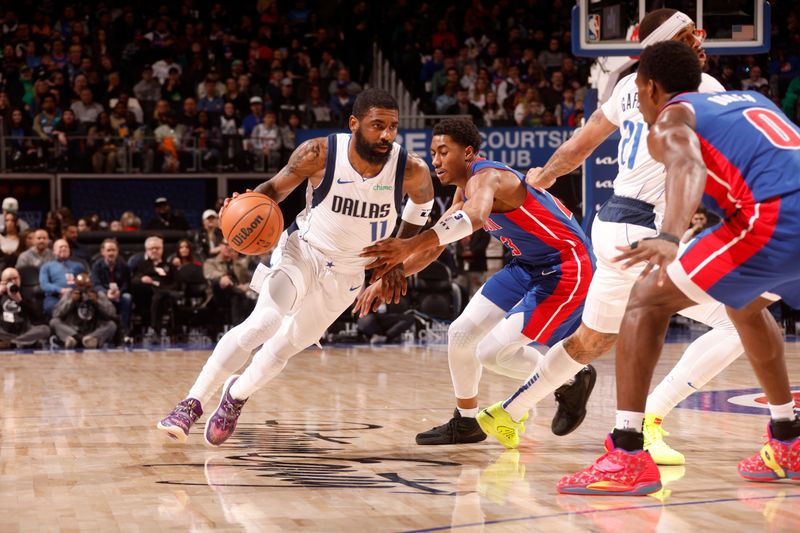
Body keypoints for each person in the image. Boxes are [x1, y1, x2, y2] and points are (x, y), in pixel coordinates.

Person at [476, 9, 744, 465]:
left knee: (593, 339)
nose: (701, 39)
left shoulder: (626, 87)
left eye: (697, 32)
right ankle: (648, 421)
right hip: (644, 233)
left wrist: (544, 175)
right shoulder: (705, 88)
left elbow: (579, 147)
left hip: (611, 224)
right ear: (664, 46)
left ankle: (507, 412)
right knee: (737, 321)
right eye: (688, 34)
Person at [558, 40, 800, 495]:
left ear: (649, 88)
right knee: (745, 306)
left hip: (773, 218)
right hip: (788, 212)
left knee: (646, 300)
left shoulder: (672, 116)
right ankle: (788, 439)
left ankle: (626, 453)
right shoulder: (752, 100)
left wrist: (669, 236)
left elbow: (685, 166)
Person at [156, 88, 434, 445]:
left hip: (349, 272)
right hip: (302, 251)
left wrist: (399, 255)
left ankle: (236, 395)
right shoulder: (319, 152)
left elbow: (420, 209)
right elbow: (272, 190)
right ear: (354, 124)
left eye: (393, 127)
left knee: (288, 345)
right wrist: (243, 208)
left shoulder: (410, 169)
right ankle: (190, 404)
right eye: (377, 125)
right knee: (264, 322)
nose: (386, 134)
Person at [357, 118, 596, 445]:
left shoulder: (487, 178)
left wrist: (408, 244)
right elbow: (435, 246)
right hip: (527, 265)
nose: (436, 161)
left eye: (443, 152)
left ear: (468, 153)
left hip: (565, 266)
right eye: (432, 153)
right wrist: (383, 281)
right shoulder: (463, 189)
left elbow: (475, 218)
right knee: (461, 333)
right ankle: (467, 421)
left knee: (492, 353)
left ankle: (570, 378)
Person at [50, 272, 117, 349]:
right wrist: (71, 301)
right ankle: (75, 338)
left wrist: (97, 302)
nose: (84, 290)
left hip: (93, 330)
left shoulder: (98, 294)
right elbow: (56, 313)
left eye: (87, 287)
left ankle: (91, 339)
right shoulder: (69, 294)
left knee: (112, 325)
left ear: (91, 285)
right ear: (76, 286)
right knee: (54, 322)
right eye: (81, 286)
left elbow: (112, 313)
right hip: (72, 329)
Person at [131, 235, 179, 337]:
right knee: (154, 296)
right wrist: (141, 279)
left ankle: (156, 329)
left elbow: (176, 283)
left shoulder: (170, 266)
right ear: (146, 250)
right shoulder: (141, 265)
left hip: (166, 295)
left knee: (161, 296)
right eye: (151, 248)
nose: (154, 250)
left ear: (162, 249)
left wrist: (164, 290)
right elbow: (134, 280)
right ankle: (153, 328)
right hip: (147, 296)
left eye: (157, 248)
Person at [90, 239, 132, 338]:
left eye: (114, 250)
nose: (111, 253)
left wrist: (119, 292)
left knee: (127, 297)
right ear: (102, 252)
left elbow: (126, 283)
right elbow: (95, 284)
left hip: (119, 294)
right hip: (103, 294)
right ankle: (104, 330)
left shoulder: (123, 265)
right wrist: (106, 292)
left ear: (117, 252)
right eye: (109, 250)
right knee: (98, 296)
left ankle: (124, 330)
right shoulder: (97, 266)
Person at [0, 267, 51, 349]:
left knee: (45, 329)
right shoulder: (1, 295)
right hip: (4, 332)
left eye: (15, 278)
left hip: (23, 332)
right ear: (2, 282)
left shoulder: (26, 293)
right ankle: (24, 342)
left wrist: (20, 301)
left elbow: (38, 318)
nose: (13, 282)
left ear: (19, 279)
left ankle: (13, 342)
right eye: (9, 279)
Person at [39, 239, 84, 317]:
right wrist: (61, 290)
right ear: (54, 251)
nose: (64, 248)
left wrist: (76, 292)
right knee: (50, 307)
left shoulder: (78, 266)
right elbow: (44, 285)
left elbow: (85, 283)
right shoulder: (47, 266)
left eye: (66, 247)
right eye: (61, 247)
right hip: (55, 297)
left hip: (76, 296)